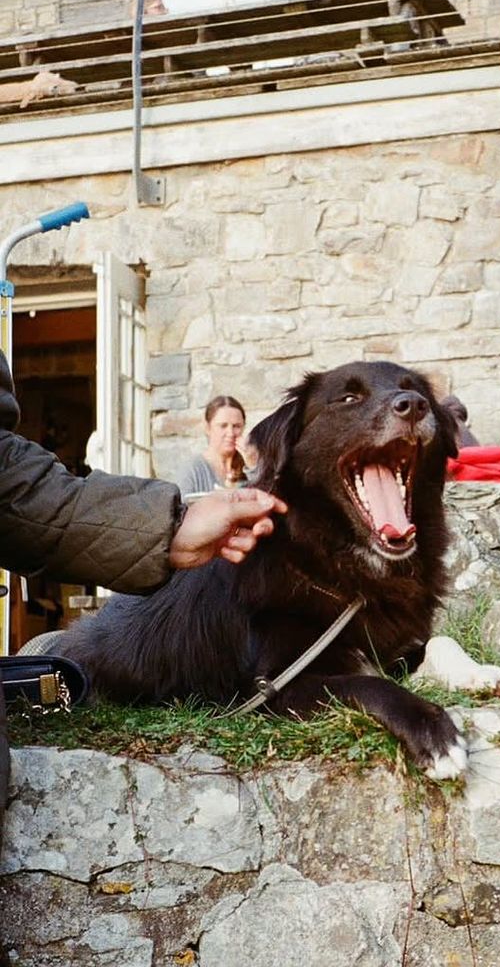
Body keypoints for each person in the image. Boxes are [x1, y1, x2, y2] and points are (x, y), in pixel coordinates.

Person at [0, 350, 286, 946]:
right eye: (224, 427)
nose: (231, 435)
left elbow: (10, 482)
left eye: (238, 426)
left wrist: (169, 527)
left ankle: (51, 659)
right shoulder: (194, 465)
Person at [176, 395, 249, 499]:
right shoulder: (192, 469)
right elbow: (180, 511)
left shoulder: (249, 468)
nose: (230, 433)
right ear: (208, 428)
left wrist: (252, 465)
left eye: (236, 426)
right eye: (223, 426)